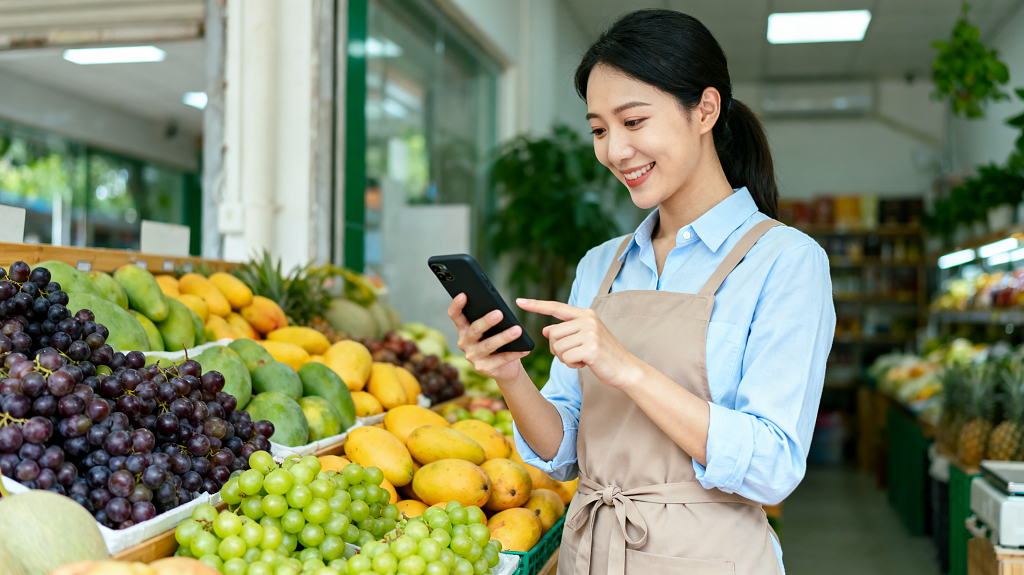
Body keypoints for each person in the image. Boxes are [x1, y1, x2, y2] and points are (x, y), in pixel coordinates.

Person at [446, 9, 834, 575]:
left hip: (709, 559)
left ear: (704, 109)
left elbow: (773, 466)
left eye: (633, 121)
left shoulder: (785, 262)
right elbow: (561, 453)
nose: (615, 151)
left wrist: (625, 366)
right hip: (590, 551)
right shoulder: (601, 265)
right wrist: (507, 372)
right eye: (599, 130)